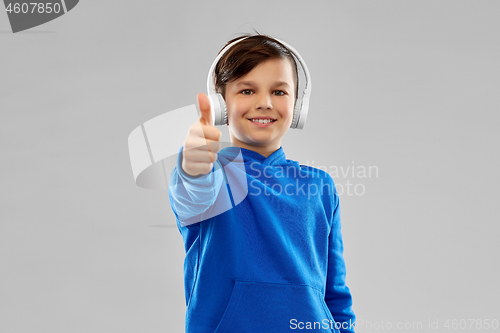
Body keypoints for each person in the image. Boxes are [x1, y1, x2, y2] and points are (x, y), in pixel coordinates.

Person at [168, 34, 355, 333]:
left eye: (279, 92)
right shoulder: (212, 174)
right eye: (246, 90)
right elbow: (191, 191)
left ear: (298, 106)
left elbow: (335, 295)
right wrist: (191, 165)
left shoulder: (320, 186)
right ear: (221, 104)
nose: (265, 103)